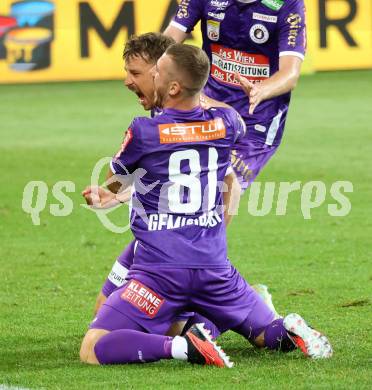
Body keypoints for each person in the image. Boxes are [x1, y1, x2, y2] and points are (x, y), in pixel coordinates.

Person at [79, 43, 332, 366]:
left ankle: (184, 348)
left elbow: (120, 178)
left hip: (160, 271)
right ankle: (291, 328)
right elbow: (220, 138)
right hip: (215, 269)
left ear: (172, 87)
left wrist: (107, 194)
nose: (150, 77)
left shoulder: (143, 131)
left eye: (156, 73)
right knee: (264, 333)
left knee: (94, 344)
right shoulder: (228, 123)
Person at [84, 32, 279, 334]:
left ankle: (235, 310)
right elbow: (159, 179)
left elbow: (231, 184)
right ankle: (233, 310)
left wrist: (202, 237)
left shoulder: (202, 117)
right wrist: (116, 197)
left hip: (177, 249)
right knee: (103, 314)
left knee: (150, 330)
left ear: (163, 76)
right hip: (156, 239)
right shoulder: (163, 109)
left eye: (136, 73)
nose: (128, 81)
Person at [164, 0, 306, 191]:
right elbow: (168, 42)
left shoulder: (288, 4)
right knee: (181, 187)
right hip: (207, 109)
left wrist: (261, 90)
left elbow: (290, 74)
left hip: (256, 119)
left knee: (222, 189)